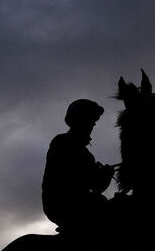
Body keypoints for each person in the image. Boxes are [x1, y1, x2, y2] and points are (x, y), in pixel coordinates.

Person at [41, 99, 115, 236]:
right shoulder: (62, 143)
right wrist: (104, 174)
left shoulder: (80, 150)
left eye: (93, 122)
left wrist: (105, 175)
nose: (92, 125)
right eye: (90, 121)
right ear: (77, 121)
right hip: (68, 206)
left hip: (70, 205)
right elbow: (92, 184)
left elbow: (97, 186)